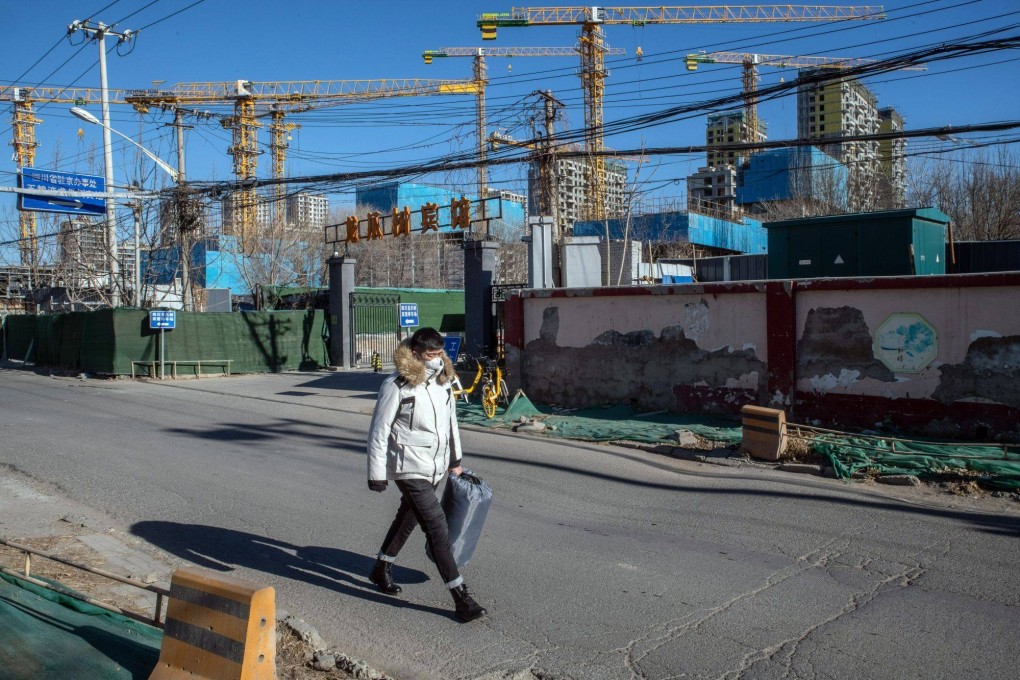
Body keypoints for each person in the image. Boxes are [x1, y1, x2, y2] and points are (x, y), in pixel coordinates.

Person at [366, 327, 487, 622]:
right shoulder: (396, 385)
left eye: (439, 353)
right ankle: (461, 598)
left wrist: (455, 462)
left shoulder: (444, 383)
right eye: (431, 355)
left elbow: (450, 425)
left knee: (407, 519)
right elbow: (379, 431)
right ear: (416, 353)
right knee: (437, 527)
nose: (437, 359)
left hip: (435, 466)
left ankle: (380, 569)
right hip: (409, 465)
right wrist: (376, 473)